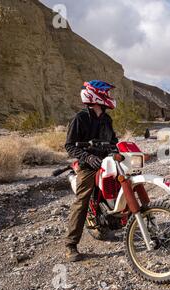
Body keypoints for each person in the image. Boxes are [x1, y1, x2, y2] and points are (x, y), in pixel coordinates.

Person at [64, 80, 118, 262]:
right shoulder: (80, 118)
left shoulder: (106, 119)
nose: (110, 97)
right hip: (87, 166)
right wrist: (87, 157)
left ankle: (114, 220)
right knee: (82, 201)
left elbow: (114, 142)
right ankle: (71, 244)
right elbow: (69, 146)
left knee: (121, 185)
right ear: (96, 95)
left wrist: (118, 151)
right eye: (107, 94)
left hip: (106, 162)